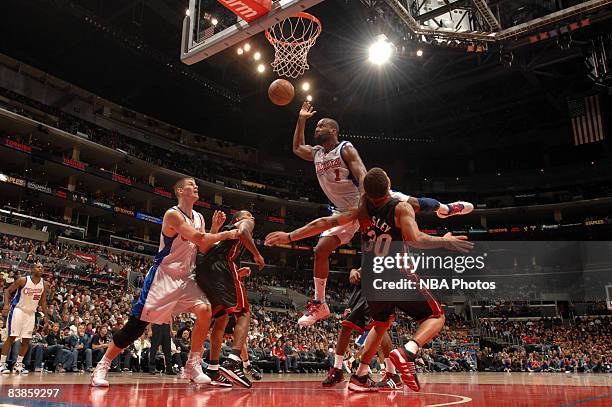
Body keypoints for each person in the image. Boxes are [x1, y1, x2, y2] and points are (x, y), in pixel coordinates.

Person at [266, 167, 473, 392]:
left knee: (381, 324)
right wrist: (444, 241)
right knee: (435, 316)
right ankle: (409, 351)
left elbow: (324, 223)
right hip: (395, 273)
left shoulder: (361, 209)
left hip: (371, 279)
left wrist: (289, 236)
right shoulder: (400, 207)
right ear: (389, 184)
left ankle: (360, 376)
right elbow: (416, 239)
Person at [291, 102, 473, 326]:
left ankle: (446, 209)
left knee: (413, 203)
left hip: (366, 201)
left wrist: (367, 207)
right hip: (344, 210)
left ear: (334, 131)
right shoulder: (317, 152)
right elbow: (297, 148)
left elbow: (363, 176)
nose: (317, 128)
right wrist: (301, 119)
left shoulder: (345, 148)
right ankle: (319, 303)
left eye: (321, 126)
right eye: (316, 126)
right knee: (320, 250)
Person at [90, 177, 237, 387]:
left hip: (187, 277)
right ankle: (102, 365)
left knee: (205, 311)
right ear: (179, 190)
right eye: (191, 185)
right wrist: (227, 233)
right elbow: (199, 238)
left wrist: (213, 229)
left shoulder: (199, 217)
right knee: (136, 328)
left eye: (196, 185)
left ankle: (193, 365)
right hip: (164, 277)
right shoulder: (172, 215)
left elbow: (203, 248)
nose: (196, 187)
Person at [195, 210, 265, 388]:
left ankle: (212, 369)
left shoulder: (223, 232)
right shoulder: (244, 223)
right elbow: (243, 232)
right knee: (244, 312)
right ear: (240, 219)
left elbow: (208, 248)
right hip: (222, 266)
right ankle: (233, 361)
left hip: (203, 270)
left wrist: (215, 228)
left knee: (221, 317)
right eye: (250, 215)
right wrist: (256, 254)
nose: (253, 218)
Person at [0, 260, 48, 374]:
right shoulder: (23, 280)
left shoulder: (44, 284)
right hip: (18, 310)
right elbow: (7, 291)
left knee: (26, 340)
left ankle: (18, 364)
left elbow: (43, 301)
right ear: (32, 269)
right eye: (38, 267)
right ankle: (1, 364)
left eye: (42, 267)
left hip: (31, 313)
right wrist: (6, 305)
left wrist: (46, 316)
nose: (40, 269)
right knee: (12, 337)